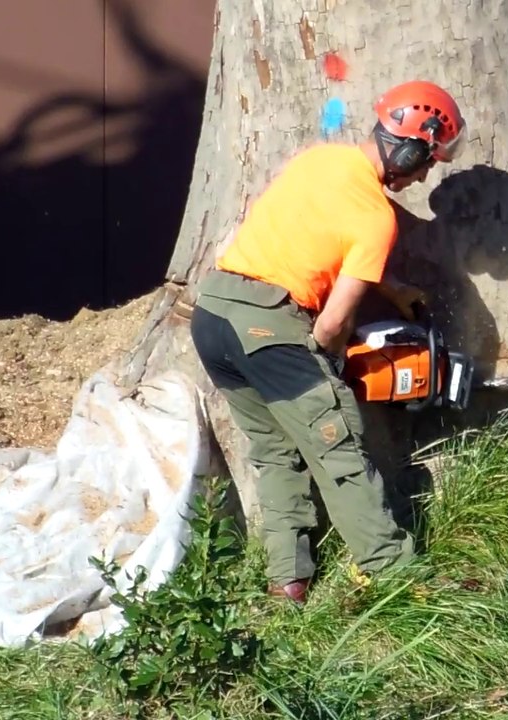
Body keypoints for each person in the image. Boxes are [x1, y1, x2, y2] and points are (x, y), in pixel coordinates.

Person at [188, 80, 467, 604]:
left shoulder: (319, 160)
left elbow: (319, 233)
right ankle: (396, 578)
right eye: (427, 159)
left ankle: (287, 581)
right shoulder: (377, 217)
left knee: (273, 452)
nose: (426, 172)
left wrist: (392, 287)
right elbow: (331, 325)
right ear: (408, 147)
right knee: (338, 448)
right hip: (269, 326)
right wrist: (329, 367)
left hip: (214, 318)